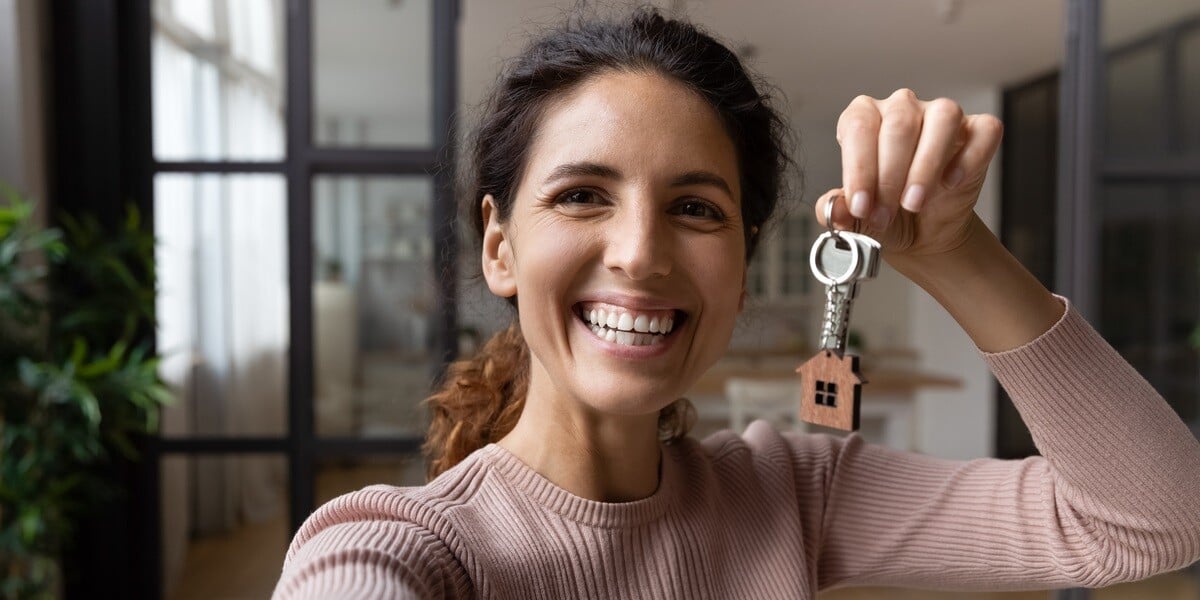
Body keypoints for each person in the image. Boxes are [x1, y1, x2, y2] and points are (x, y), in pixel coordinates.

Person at [274, 8, 1200, 599]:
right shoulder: (405, 549)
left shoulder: (793, 497)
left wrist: (960, 252)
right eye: (581, 194)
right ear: (499, 245)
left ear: (743, 260)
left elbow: (1150, 519)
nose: (639, 253)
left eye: (694, 208)